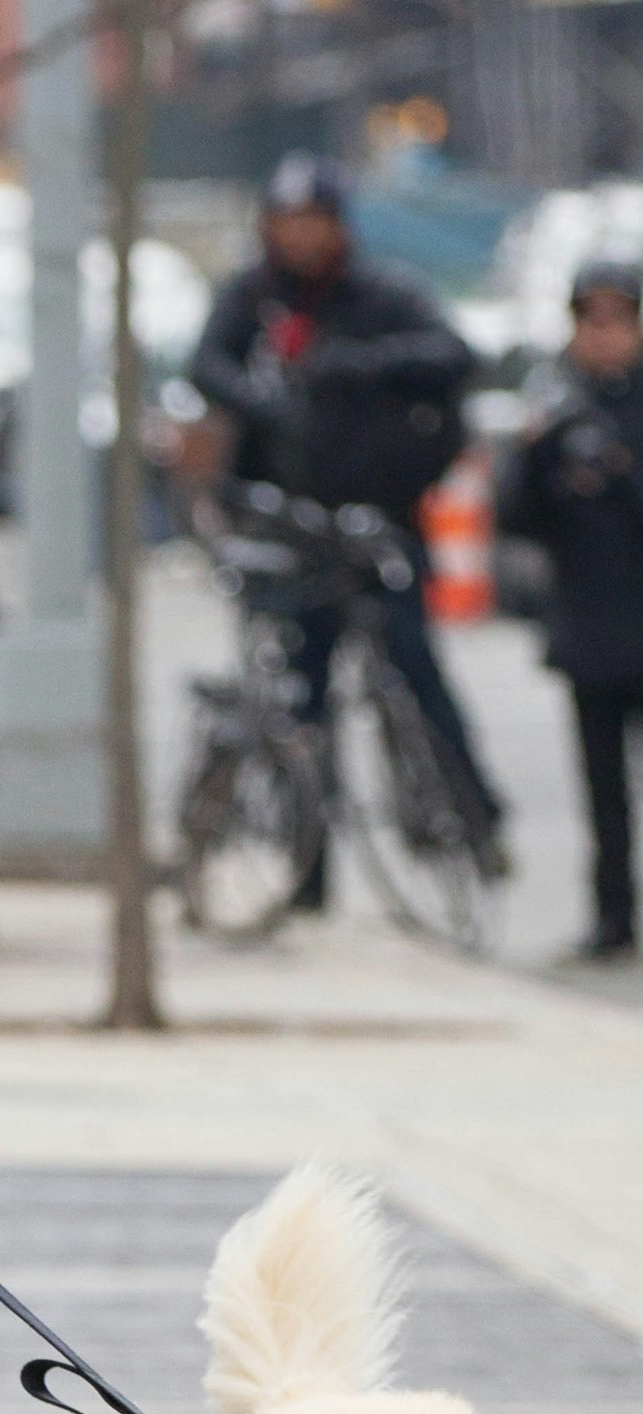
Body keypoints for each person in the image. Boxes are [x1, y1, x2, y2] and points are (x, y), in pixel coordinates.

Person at [190, 151, 507, 902]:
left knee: (414, 670)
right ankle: (309, 869)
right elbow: (208, 364)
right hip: (297, 528)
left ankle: (473, 817)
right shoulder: (254, 297)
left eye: (314, 222)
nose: (300, 237)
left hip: (381, 523)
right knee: (304, 699)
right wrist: (268, 403)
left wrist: (356, 366)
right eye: (287, 221)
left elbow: (454, 355)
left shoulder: (383, 295)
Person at [497, 262, 643, 960]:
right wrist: (540, 452)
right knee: (601, 788)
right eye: (591, 320)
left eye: (618, 319)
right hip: (590, 624)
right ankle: (613, 914)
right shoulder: (559, 405)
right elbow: (518, 517)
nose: (604, 335)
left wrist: (621, 471)